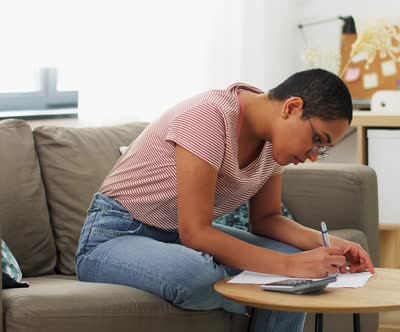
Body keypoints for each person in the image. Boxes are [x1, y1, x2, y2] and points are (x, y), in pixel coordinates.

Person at [75, 68, 375, 332]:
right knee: (198, 276)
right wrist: (289, 267)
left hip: (176, 238)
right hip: (115, 236)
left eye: (322, 150)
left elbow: (267, 219)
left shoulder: (275, 144)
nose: (313, 156)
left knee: (291, 254)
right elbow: (196, 232)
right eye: (317, 140)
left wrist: (332, 245)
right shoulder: (210, 116)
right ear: (292, 107)